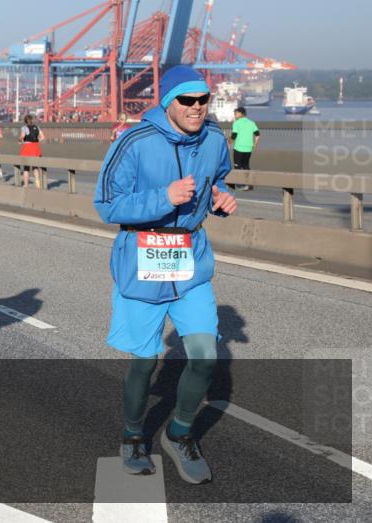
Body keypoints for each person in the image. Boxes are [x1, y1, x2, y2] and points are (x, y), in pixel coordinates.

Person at [94, 65, 237, 485]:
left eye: (203, 100)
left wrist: (220, 199)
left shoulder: (214, 139)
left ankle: (178, 434)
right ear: (167, 101)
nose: (197, 108)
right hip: (142, 260)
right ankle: (134, 436)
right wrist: (164, 197)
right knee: (144, 363)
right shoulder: (135, 141)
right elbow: (107, 204)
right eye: (187, 101)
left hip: (190, 262)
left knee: (205, 355)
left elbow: (219, 180)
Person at [229, 107, 259, 191]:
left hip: (239, 148)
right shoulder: (251, 123)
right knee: (246, 165)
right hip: (249, 148)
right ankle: (249, 184)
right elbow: (257, 134)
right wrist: (255, 144)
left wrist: (229, 143)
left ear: (241, 113)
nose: (235, 116)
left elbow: (234, 135)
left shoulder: (237, 123)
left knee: (237, 166)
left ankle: (239, 185)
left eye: (236, 114)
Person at [19, 114, 45, 188]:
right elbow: (43, 137)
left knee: (26, 168)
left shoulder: (24, 128)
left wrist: (20, 140)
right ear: (32, 120)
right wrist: (36, 141)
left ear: (25, 121)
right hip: (36, 147)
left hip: (27, 148)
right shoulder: (37, 127)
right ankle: (38, 184)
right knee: (35, 167)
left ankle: (26, 185)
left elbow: (22, 137)